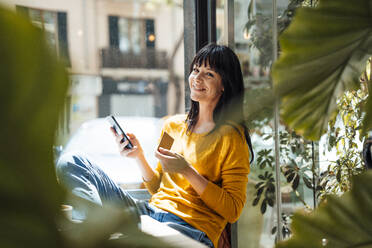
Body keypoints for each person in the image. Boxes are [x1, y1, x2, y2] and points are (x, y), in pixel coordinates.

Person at [56, 43, 253, 248]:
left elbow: (232, 210)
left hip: (189, 229)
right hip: (149, 213)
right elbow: (158, 186)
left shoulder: (231, 137)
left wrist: (186, 171)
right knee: (72, 161)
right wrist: (138, 156)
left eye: (209, 73)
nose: (197, 78)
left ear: (224, 84)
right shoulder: (173, 126)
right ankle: (95, 231)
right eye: (195, 70)